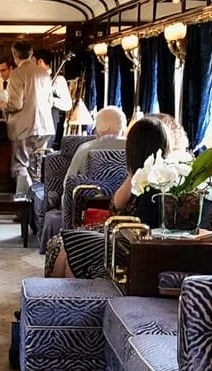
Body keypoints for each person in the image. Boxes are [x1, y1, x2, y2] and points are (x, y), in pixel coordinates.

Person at [48, 117, 167, 278]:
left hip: (129, 242)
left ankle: (61, 291)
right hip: (121, 236)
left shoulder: (160, 179)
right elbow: (116, 205)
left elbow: (134, 221)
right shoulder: (139, 175)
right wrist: (133, 173)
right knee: (66, 245)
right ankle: (57, 291)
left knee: (70, 247)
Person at [4, 41, 54, 195]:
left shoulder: (17, 74)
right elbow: (50, 101)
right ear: (31, 54)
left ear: (14, 55)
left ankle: (23, 202)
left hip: (24, 127)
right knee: (36, 167)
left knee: (20, 165)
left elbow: (15, 104)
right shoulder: (44, 73)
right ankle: (37, 203)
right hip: (45, 126)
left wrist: (3, 105)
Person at [65, 106, 127, 181]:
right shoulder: (134, 149)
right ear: (124, 130)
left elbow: (68, 182)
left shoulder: (84, 149)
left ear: (97, 131)